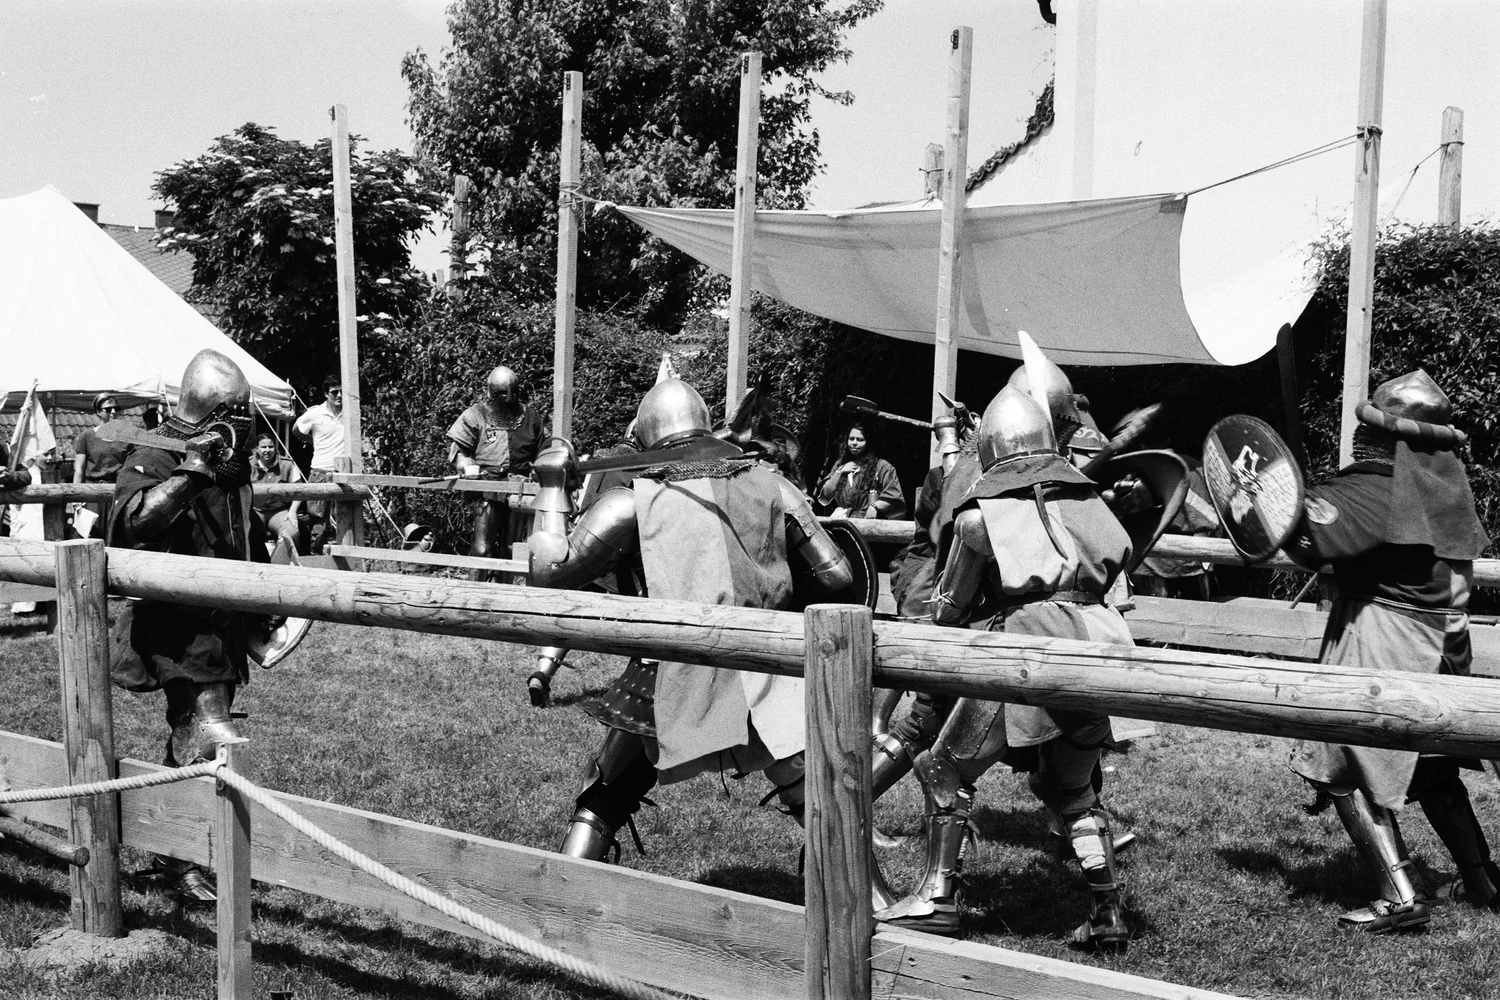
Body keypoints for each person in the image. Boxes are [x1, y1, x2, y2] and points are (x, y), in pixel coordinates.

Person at [528, 377, 854, 861]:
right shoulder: (775, 486)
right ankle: (865, 894)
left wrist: (553, 484)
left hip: (671, 669)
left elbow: (548, 572)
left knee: (606, 787)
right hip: (761, 658)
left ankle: (566, 889)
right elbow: (837, 576)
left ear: (644, 439)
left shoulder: (632, 501)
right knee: (807, 781)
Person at [874, 383, 1137, 949]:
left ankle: (937, 898)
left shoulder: (979, 521)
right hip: (1100, 647)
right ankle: (1108, 910)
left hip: (1025, 650)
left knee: (945, 768)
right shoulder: (1092, 504)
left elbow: (949, 609)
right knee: (1069, 789)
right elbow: (1120, 580)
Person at [1285, 370, 1496, 933]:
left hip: (1387, 635)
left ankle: (1398, 895)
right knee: (1430, 766)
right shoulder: (1440, 485)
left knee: (1345, 764)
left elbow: (1310, 537)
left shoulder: (1380, 487)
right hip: (1442, 637)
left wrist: (1277, 500)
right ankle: (1481, 879)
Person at [107, 348, 268, 903]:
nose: (248, 422)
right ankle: (182, 859)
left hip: (217, 621)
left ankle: (177, 850)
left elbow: (243, 536)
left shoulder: (231, 464)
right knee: (206, 732)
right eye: (240, 411)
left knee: (194, 735)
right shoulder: (158, 451)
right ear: (217, 410)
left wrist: (265, 603)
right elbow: (130, 525)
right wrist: (192, 470)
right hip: (175, 622)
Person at [446, 365, 546, 575]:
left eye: (514, 392)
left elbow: (545, 449)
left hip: (520, 489)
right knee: (483, 549)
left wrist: (543, 467)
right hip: (487, 489)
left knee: (512, 549)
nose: (509, 398)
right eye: (502, 393)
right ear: (492, 392)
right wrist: (466, 466)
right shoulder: (476, 415)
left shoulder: (531, 417)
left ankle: (505, 597)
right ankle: (475, 596)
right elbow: (459, 451)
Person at [292, 376, 348, 553]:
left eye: (341, 391)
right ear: (326, 394)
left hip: (344, 471)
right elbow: (296, 429)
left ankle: (345, 555)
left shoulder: (349, 412)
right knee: (318, 519)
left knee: (345, 517)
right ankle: (314, 555)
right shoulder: (315, 413)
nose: (339, 395)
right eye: (334, 392)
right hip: (320, 470)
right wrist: (313, 441)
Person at [815, 422, 906, 520]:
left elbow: (894, 497)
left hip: (869, 521)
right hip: (842, 519)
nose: (854, 443)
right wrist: (839, 472)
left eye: (860, 440)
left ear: (868, 442)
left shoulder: (882, 466)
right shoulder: (840, 464)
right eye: (851, 439)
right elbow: (825, 498)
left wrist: (875, 506)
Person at [72, 392, 130, 538]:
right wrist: (77, 498)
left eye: (116, 408)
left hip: (118, 493)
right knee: (91, 537)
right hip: (93, 494)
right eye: (108, 409)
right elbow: (79, 469)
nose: (114, 412)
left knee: (118, 537)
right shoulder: (86, 437)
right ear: (98, 412)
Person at [249, 433, 305, 554]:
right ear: (256, 449)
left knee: (291, 533)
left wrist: (292, 512)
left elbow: (298, 491)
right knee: (250, 534)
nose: (267, 450)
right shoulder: (248, 465)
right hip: (256, 510)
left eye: (271, 446)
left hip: (279, 510)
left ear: (276, 448)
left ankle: (283, 565)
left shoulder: (287, 465)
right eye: (263, 447)